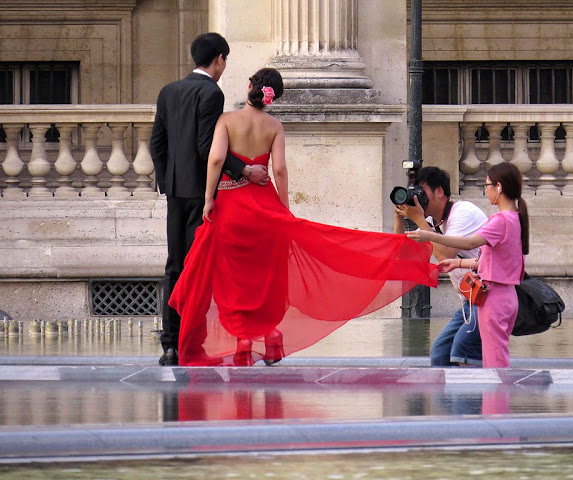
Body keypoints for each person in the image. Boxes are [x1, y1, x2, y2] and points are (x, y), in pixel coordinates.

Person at [168, 67, 441, 366]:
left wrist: (208, 199)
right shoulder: (274, 126)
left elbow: (217, 158)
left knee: (234, 279)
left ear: (249, 87)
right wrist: (283, 211)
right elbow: (280, 170)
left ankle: (244, 338)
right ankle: (270, 334)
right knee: (267, 277)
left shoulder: (226, 120)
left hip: (231, 207)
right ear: (274, 98)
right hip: (265, 208)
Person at [150, 33, 270, 366]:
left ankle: (170, 344)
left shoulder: (168, 91)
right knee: (198, 270)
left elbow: (156, 143)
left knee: (175, 267)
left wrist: (167, 181)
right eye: (224, 61)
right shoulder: (210, 92)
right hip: (202, 193)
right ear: (219, 59)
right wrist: (244, 169)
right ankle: (192, 344)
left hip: (175, 192)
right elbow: (208, 148)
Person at [407, 162, 529, 368]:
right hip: (493, 296)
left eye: (487, 185)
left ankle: (485, 398)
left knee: (486, 359)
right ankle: (481, 397)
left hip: (491, 296)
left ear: (499, 187)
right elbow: (488, 260)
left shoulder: (500, 219)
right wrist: (459, 263)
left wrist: (427, 232)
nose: (485, 190)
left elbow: (470, 242)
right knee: (464, 355)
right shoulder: (512, 218)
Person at [394, 166, 487, 366]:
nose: (418, 198)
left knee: (463, 349)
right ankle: (457, 395)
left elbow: (445, 254)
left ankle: (474, 395)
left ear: (439, 191)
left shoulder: (463, 212)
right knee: (440, 355)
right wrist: (400, 217)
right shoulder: (432, 222)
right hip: (470, 301)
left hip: (489, 298)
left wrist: (418, 219)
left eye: (422, 191)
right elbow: (401, 254)